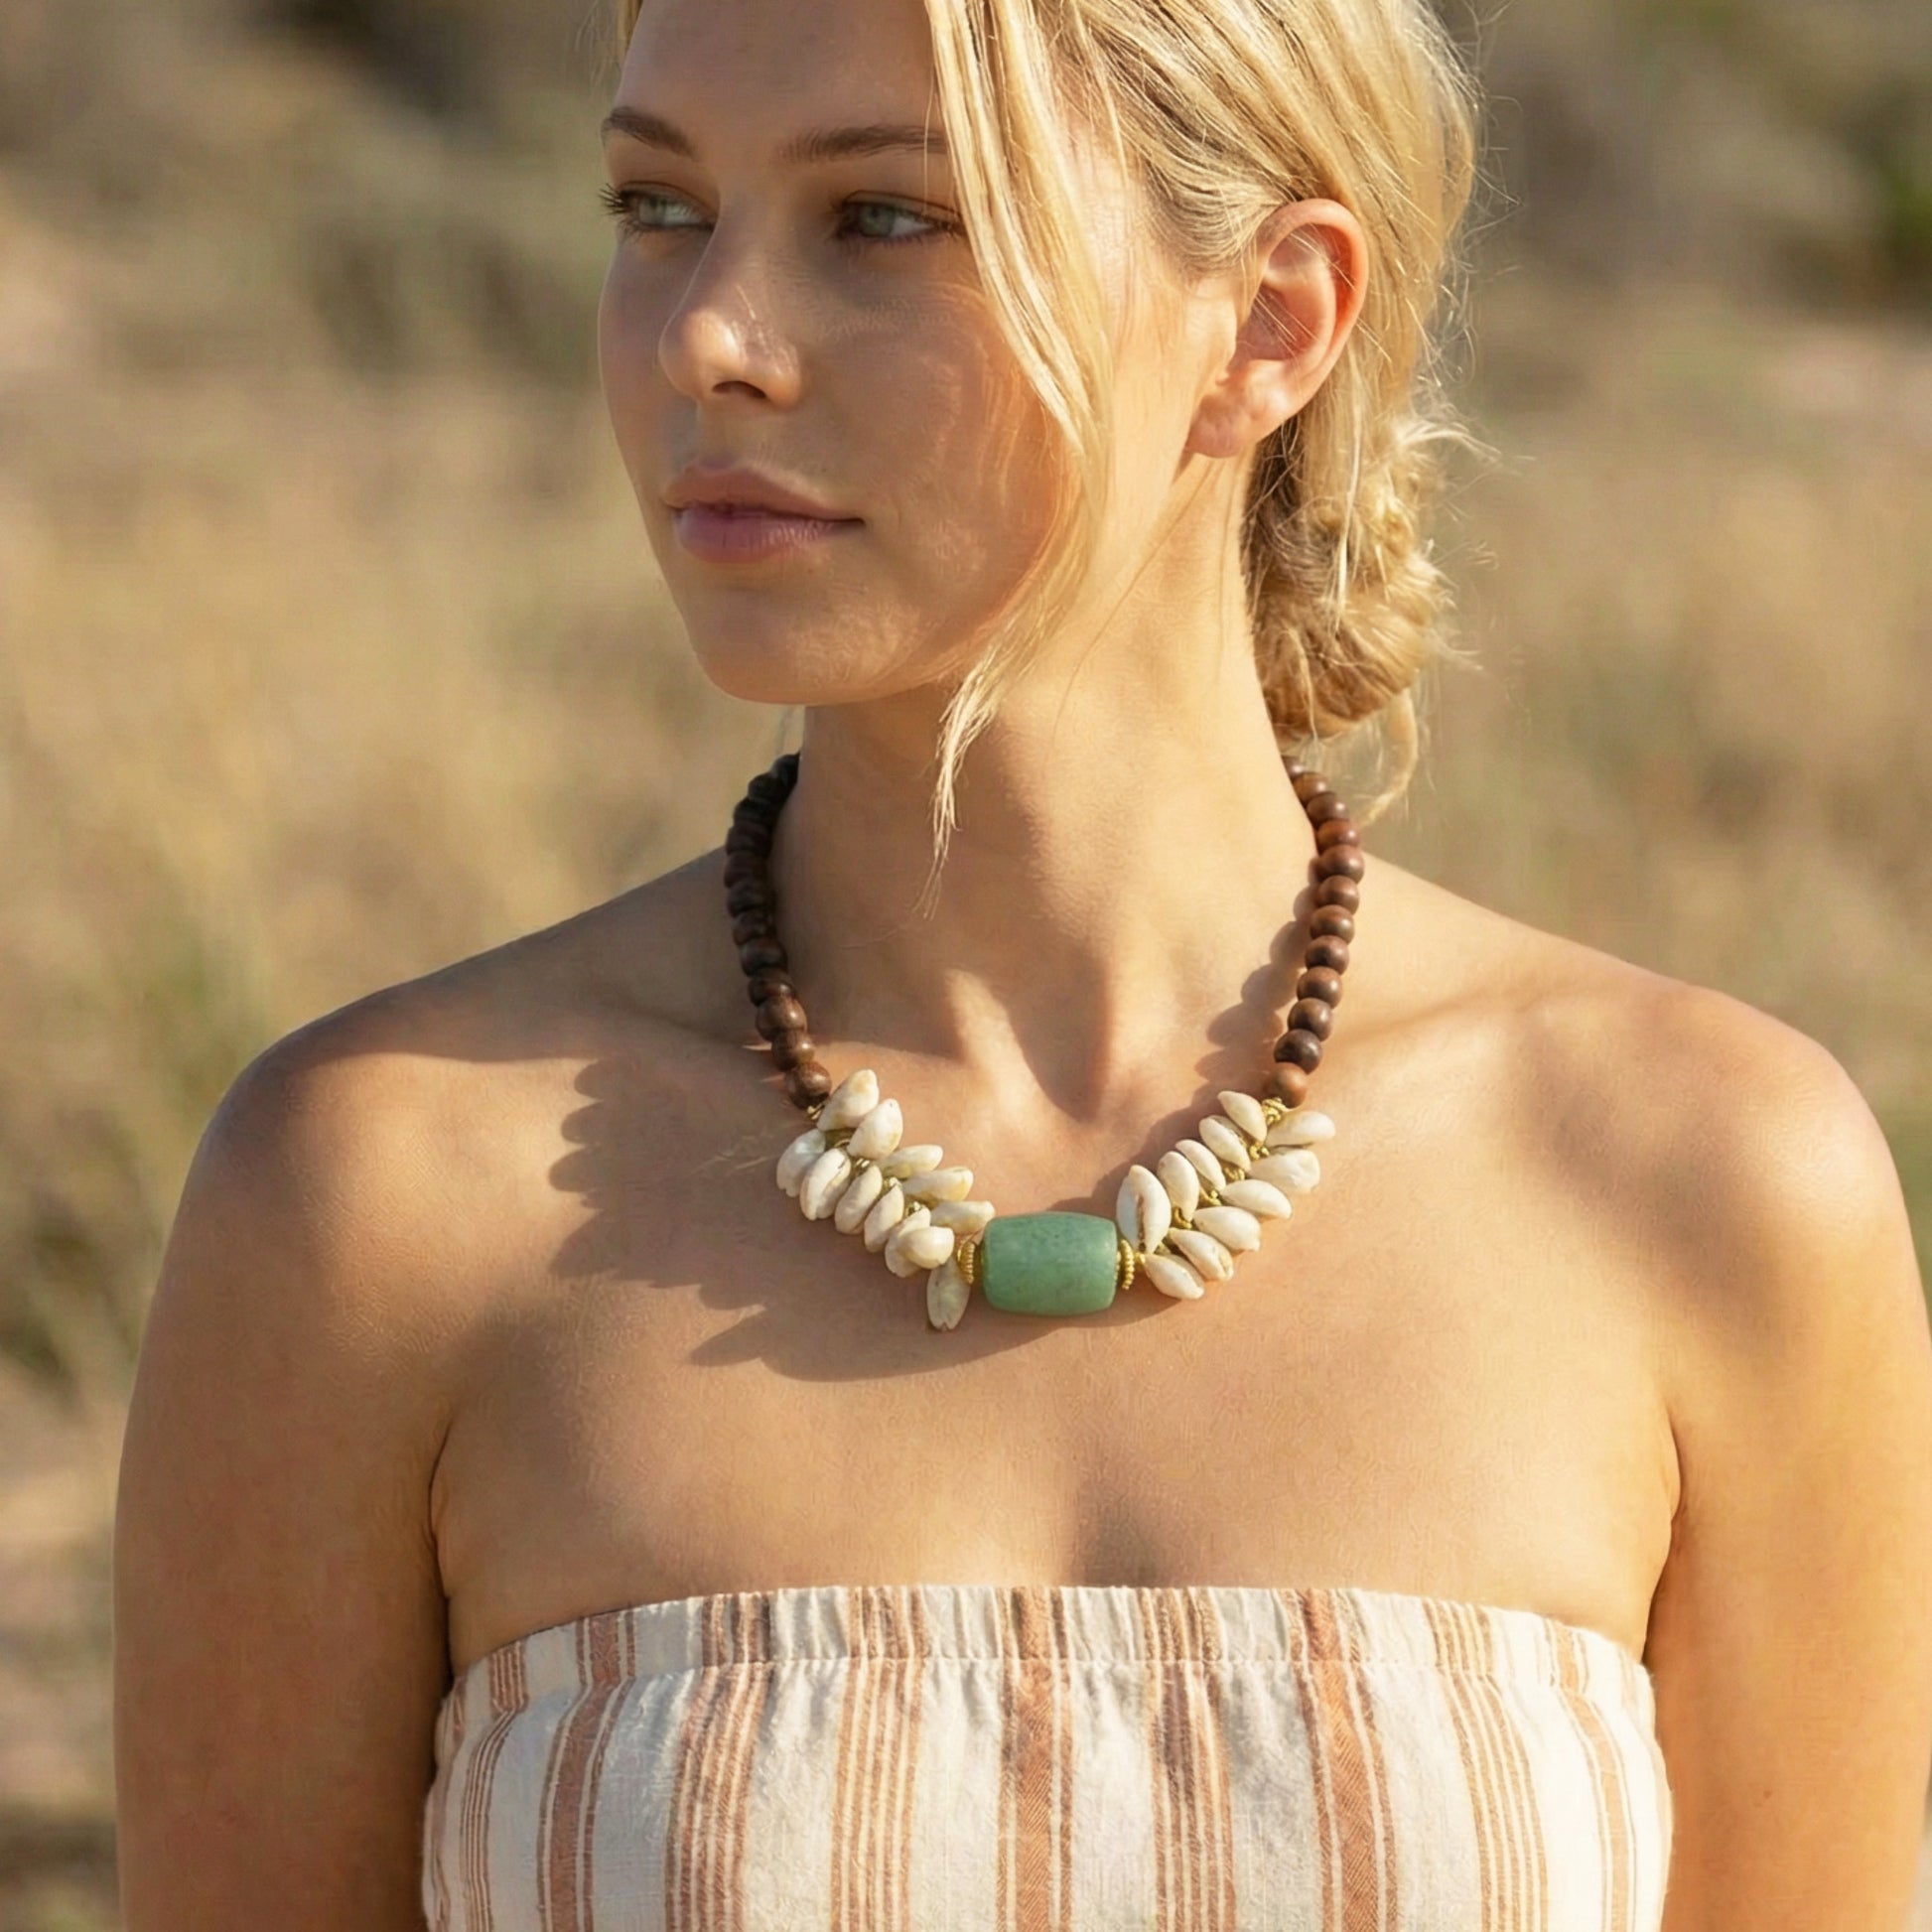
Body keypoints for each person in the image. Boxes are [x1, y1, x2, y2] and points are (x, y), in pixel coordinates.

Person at [111, 0, 1932, 1923]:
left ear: (1270, 320)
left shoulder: (1697, 1181)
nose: (708, 338)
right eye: (656, 208)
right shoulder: (383, 1190)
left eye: (881, 221)